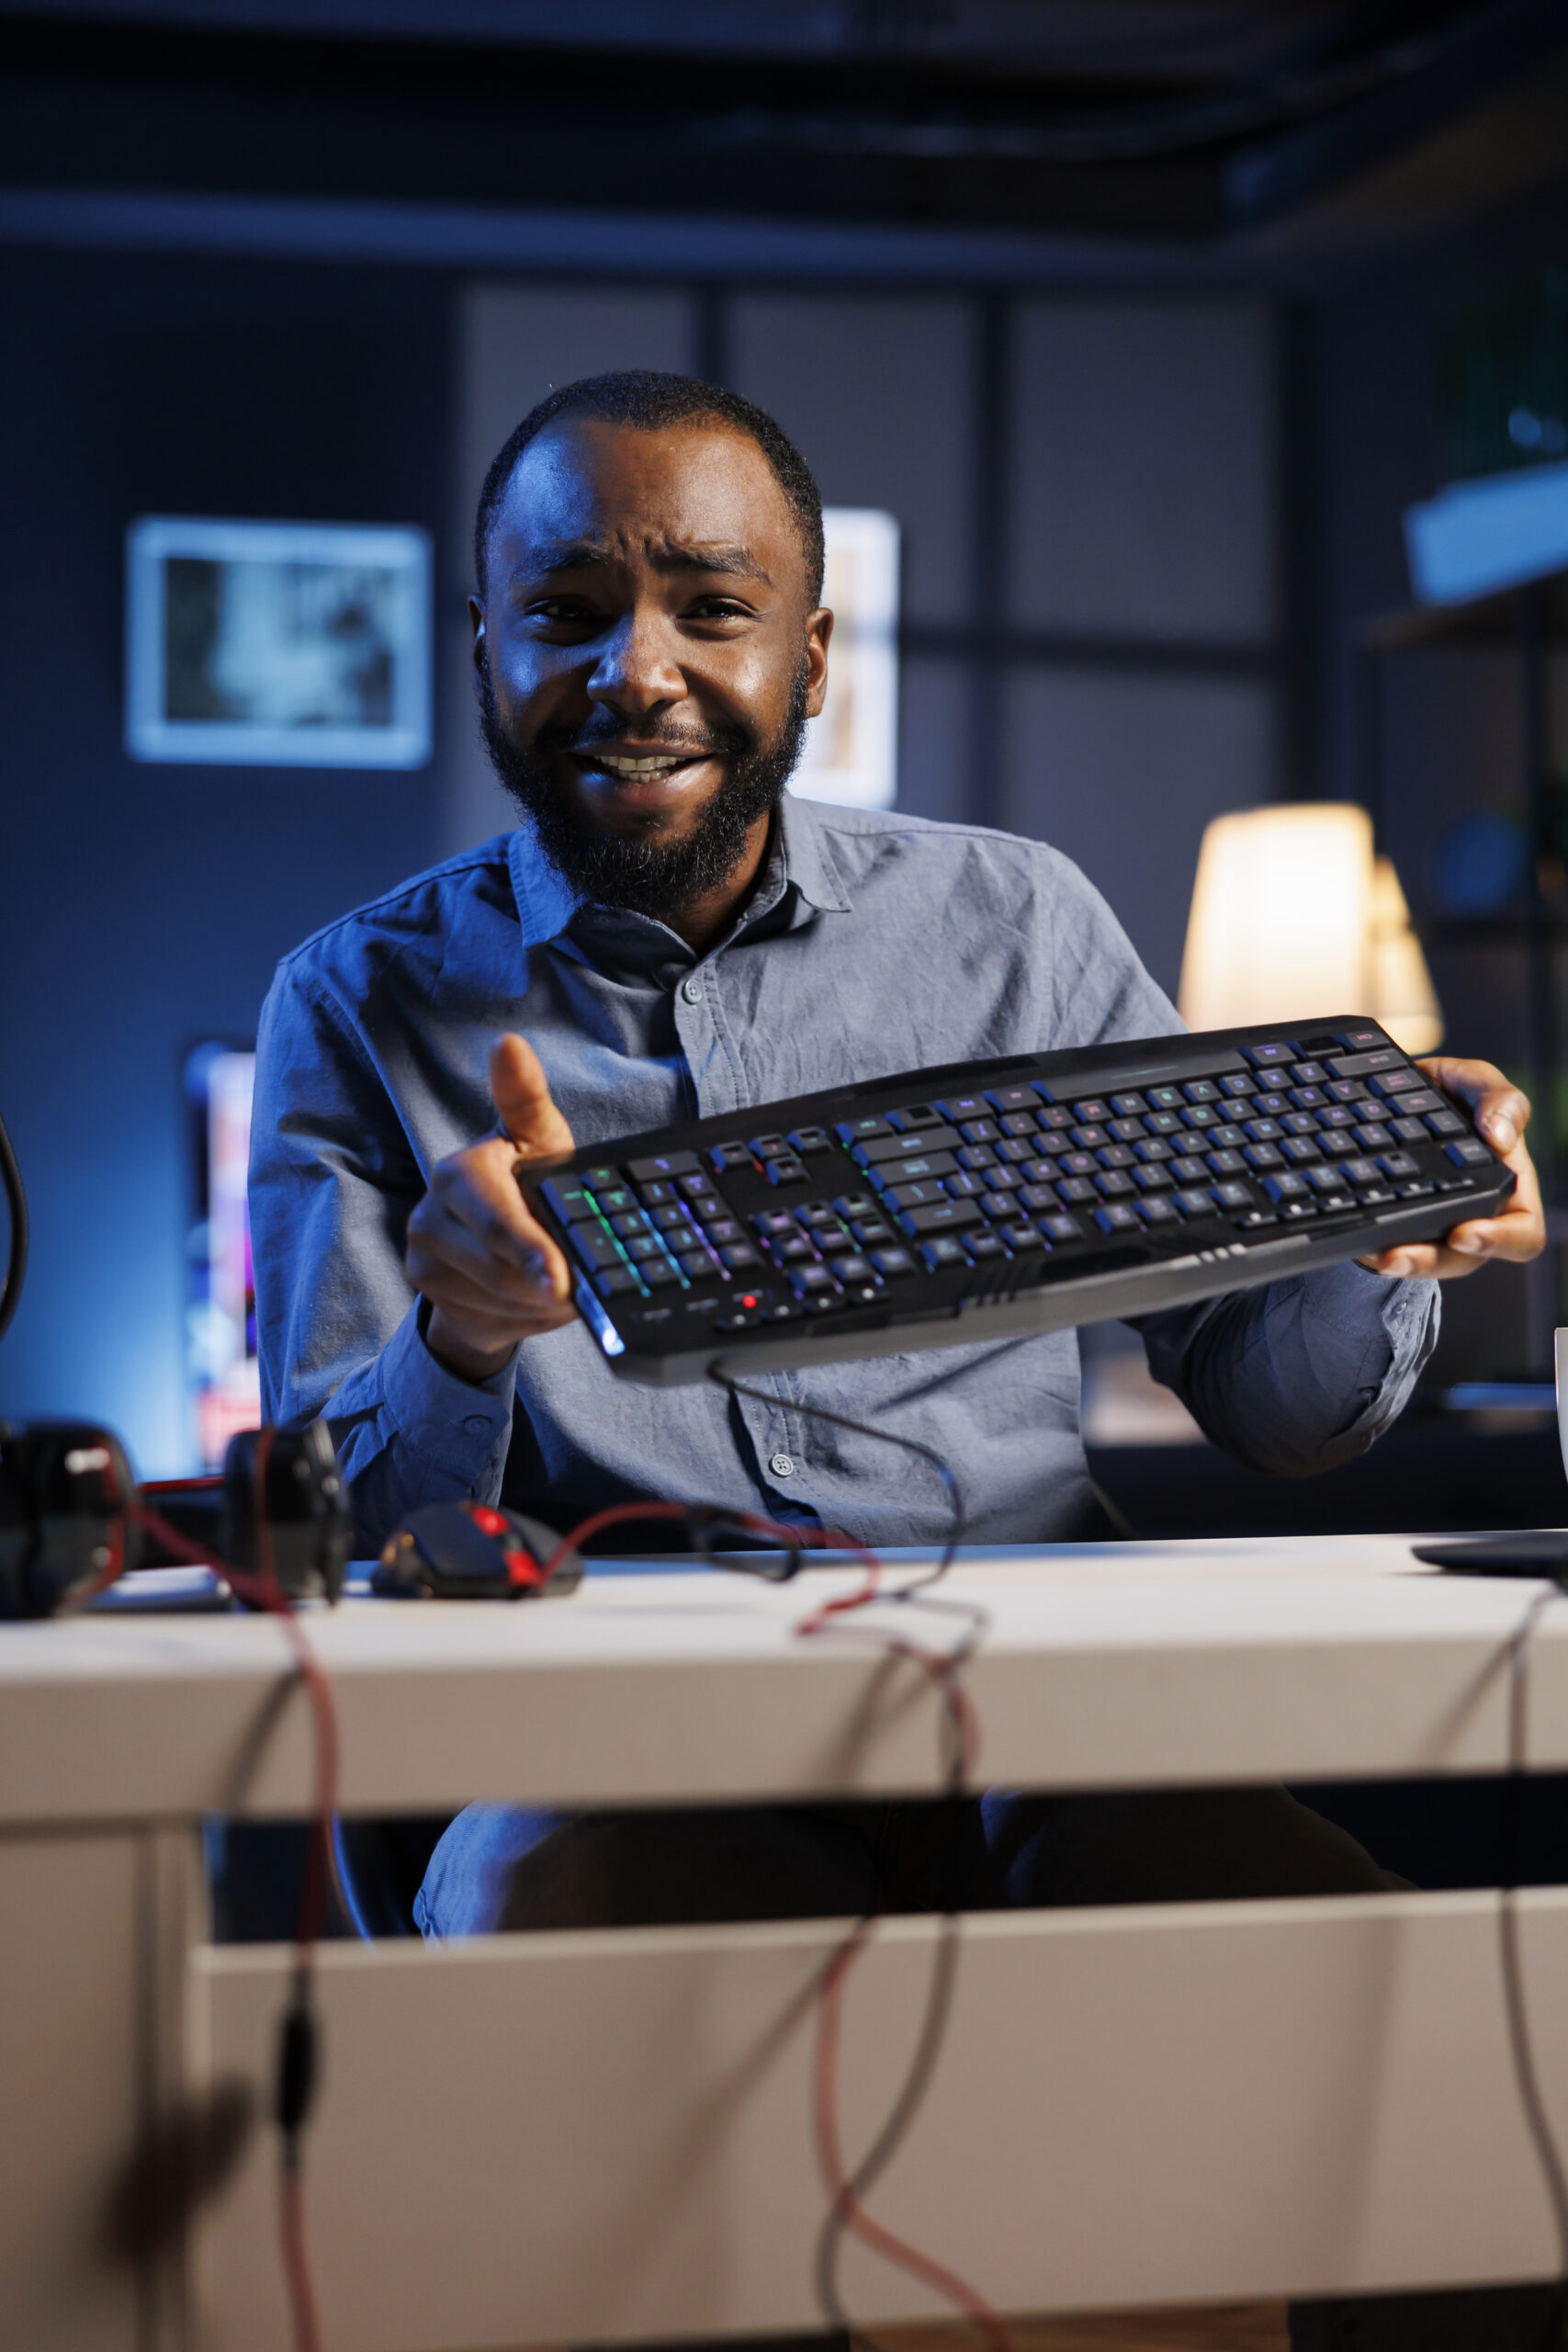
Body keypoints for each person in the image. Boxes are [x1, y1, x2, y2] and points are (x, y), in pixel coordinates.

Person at [252, 372, 1554, 2350]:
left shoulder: (1008, 916)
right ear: (485, 643)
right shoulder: (357, 1002)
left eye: (708, 602)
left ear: (809, 646)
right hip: (613, 1737)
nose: (640, 667)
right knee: (571, 1962)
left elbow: (1273, 1409)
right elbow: (344, 1523)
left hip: (1036, 1712)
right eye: (568, 607)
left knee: (1331, 1979)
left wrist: (1366, 1240)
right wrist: (466, 1326)